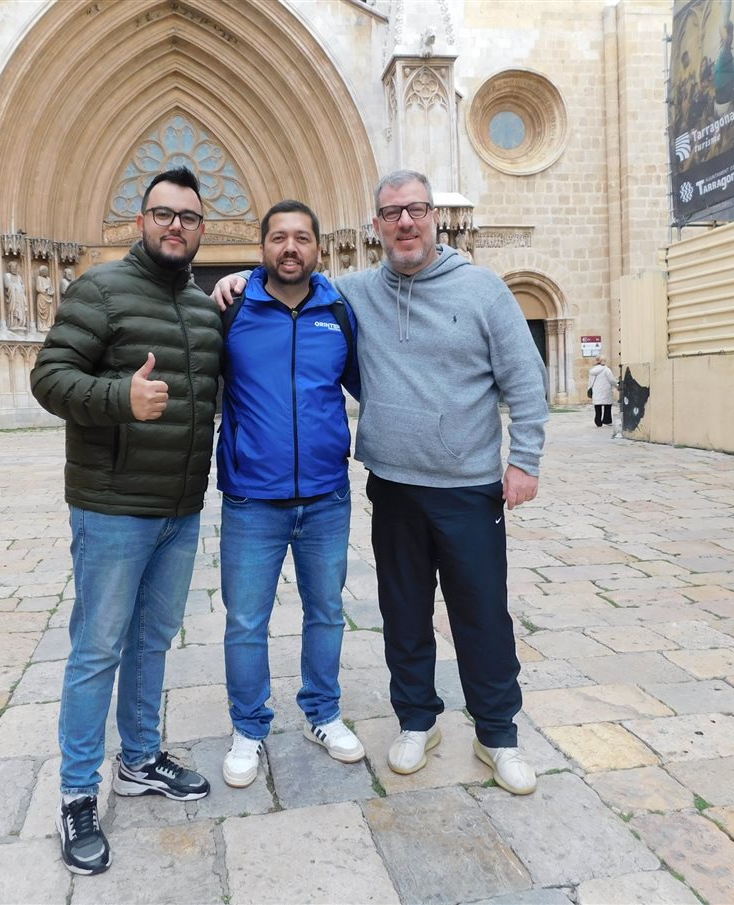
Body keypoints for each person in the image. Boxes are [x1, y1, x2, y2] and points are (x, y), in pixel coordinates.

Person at [213, 170, 547, 796]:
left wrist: (523, 461)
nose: (405, 223)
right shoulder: (351, 295)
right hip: (390, 485)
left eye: (416, 210)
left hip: (469, 487)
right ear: (374, 227)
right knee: (403, 614)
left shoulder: (483, 291)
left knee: (480, 614)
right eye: (391, 213)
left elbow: (526, 383)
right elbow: (290, 286)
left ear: (434, 217)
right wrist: (235, 280)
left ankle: (498, 734)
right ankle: (418, 721)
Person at [30, 167, 221, 876]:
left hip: (180, 509)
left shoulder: (204, 309)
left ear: (204, 229)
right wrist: (119, 397)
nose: (176, 225)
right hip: (112, 508)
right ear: (140, 221)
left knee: (152, 639)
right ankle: (79, 791)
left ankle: (139, 757)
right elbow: (49, 377)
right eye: (163, 213)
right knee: (97, 649)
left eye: (190, 217)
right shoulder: (100, 290)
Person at [218, 200, 364, 789]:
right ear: (261, 250)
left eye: (302, 237)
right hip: (253, 499)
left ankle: (322, 715)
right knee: (246, 621)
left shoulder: (339, 310)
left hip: (327, 498)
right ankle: (249, 727)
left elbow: (366, 383)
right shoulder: (230, 311)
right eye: (278, 237)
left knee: (326, 611)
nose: (290, 248)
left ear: (318, 250)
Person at [587, 357, 618, 427]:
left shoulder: (592, 371)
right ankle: (607, 420)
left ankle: (598, 420)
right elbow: (612, 380)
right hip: (605, 390)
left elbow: (590, 382)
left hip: (596, 390)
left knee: (597, 406)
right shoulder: (607, 370)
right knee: (608, 405)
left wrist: (589, 388)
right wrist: (617, 386)